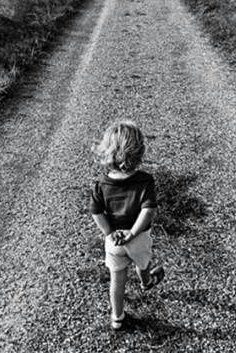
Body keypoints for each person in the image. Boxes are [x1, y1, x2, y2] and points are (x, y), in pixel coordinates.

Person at [90, 120, 165, 330]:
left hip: (114, 241)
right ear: (139, 151)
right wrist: (132, 233)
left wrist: (109, 232)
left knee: (117, 280)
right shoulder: (145, 181)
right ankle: (146, 281)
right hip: (138, 238)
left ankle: (117, 317)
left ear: (107, 152)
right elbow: (148, 211)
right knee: (143, 264)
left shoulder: (101, 184)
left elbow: (96, 212)